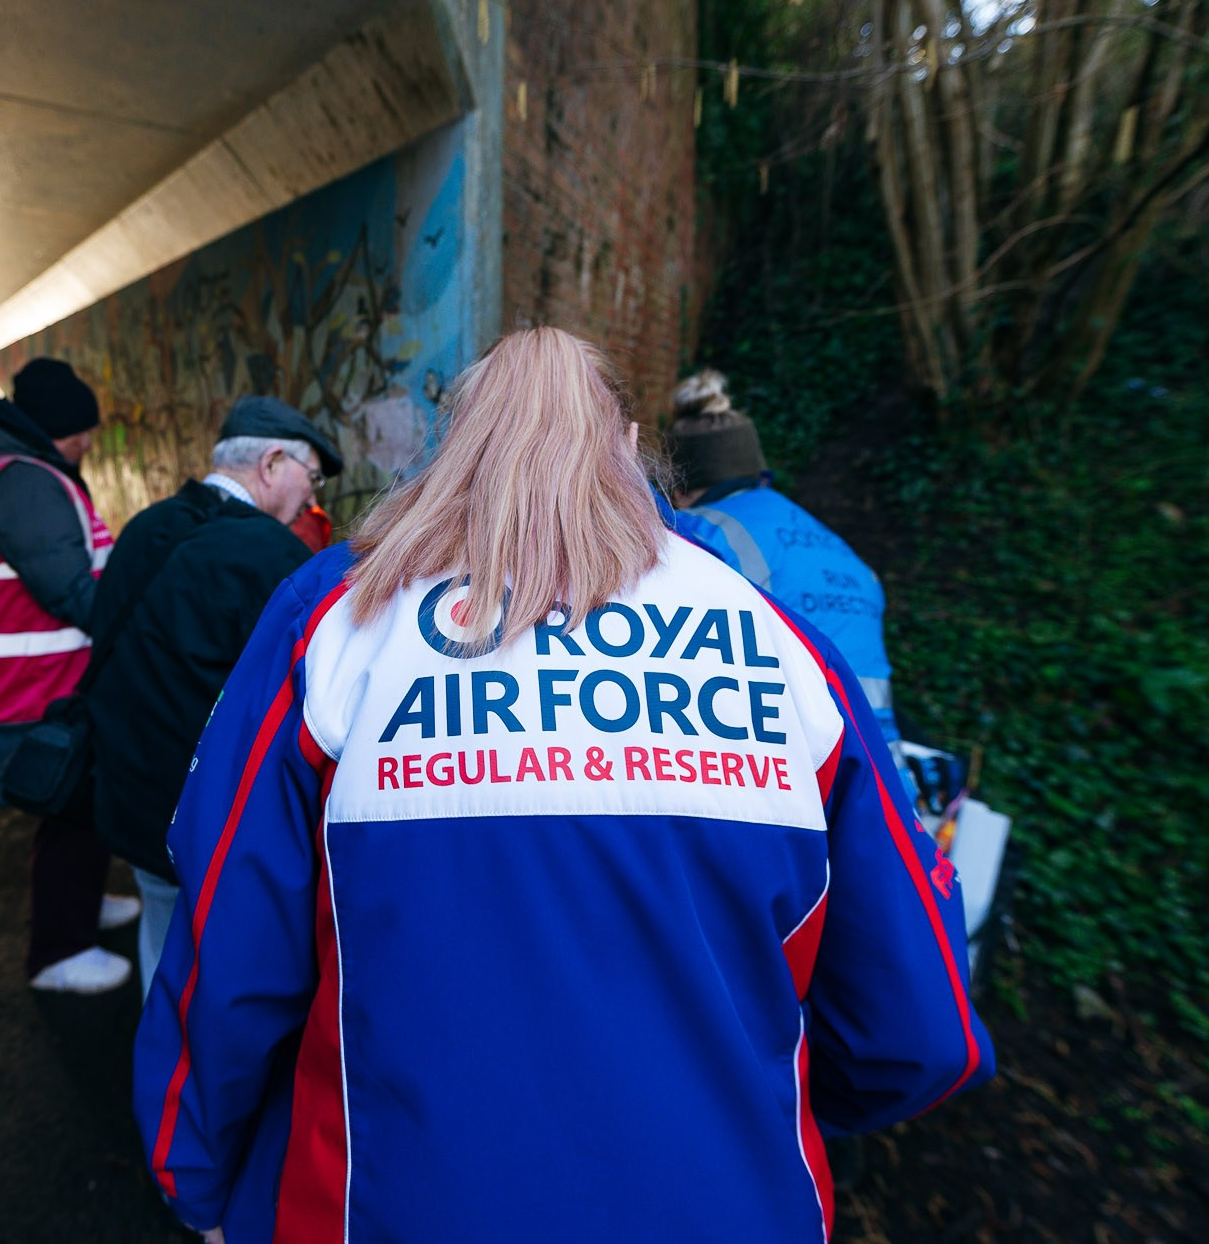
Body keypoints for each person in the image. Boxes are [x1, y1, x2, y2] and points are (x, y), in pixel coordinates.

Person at [133, 328, 992, 1244]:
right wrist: (753, 1105)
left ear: (455, 444)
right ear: (630, 444)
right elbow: (921, 1023)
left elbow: (231, 935)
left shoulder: (338, 618)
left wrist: (198, 1173)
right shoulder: (778, 644)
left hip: (394, 1206)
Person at [87, 396, 343, 998]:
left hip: (129, 794)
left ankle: (155, 1051)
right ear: (273, 463)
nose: (311, 499)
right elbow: (303, 698)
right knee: (222, 969)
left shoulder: (146, 525)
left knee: (161, 943)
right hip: (208, 817)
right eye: (311, 479)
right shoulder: (270, 555)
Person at [0, 358, 139, 994]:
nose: (87, 443)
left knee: (71, 804)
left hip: (33, 677)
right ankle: (59, 951)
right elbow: (71, 589)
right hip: (32, 682)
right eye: (80, 432)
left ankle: (79, 904)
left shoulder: (9, 470)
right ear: (53, 429)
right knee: (69, 800)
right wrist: (141, 618)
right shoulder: (22, 480)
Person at [667, 370, 907, 759]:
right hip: (882, 768)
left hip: (792, 761)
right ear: (758, 474)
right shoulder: (835, 545)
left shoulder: (699, 530)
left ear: (679, 488)